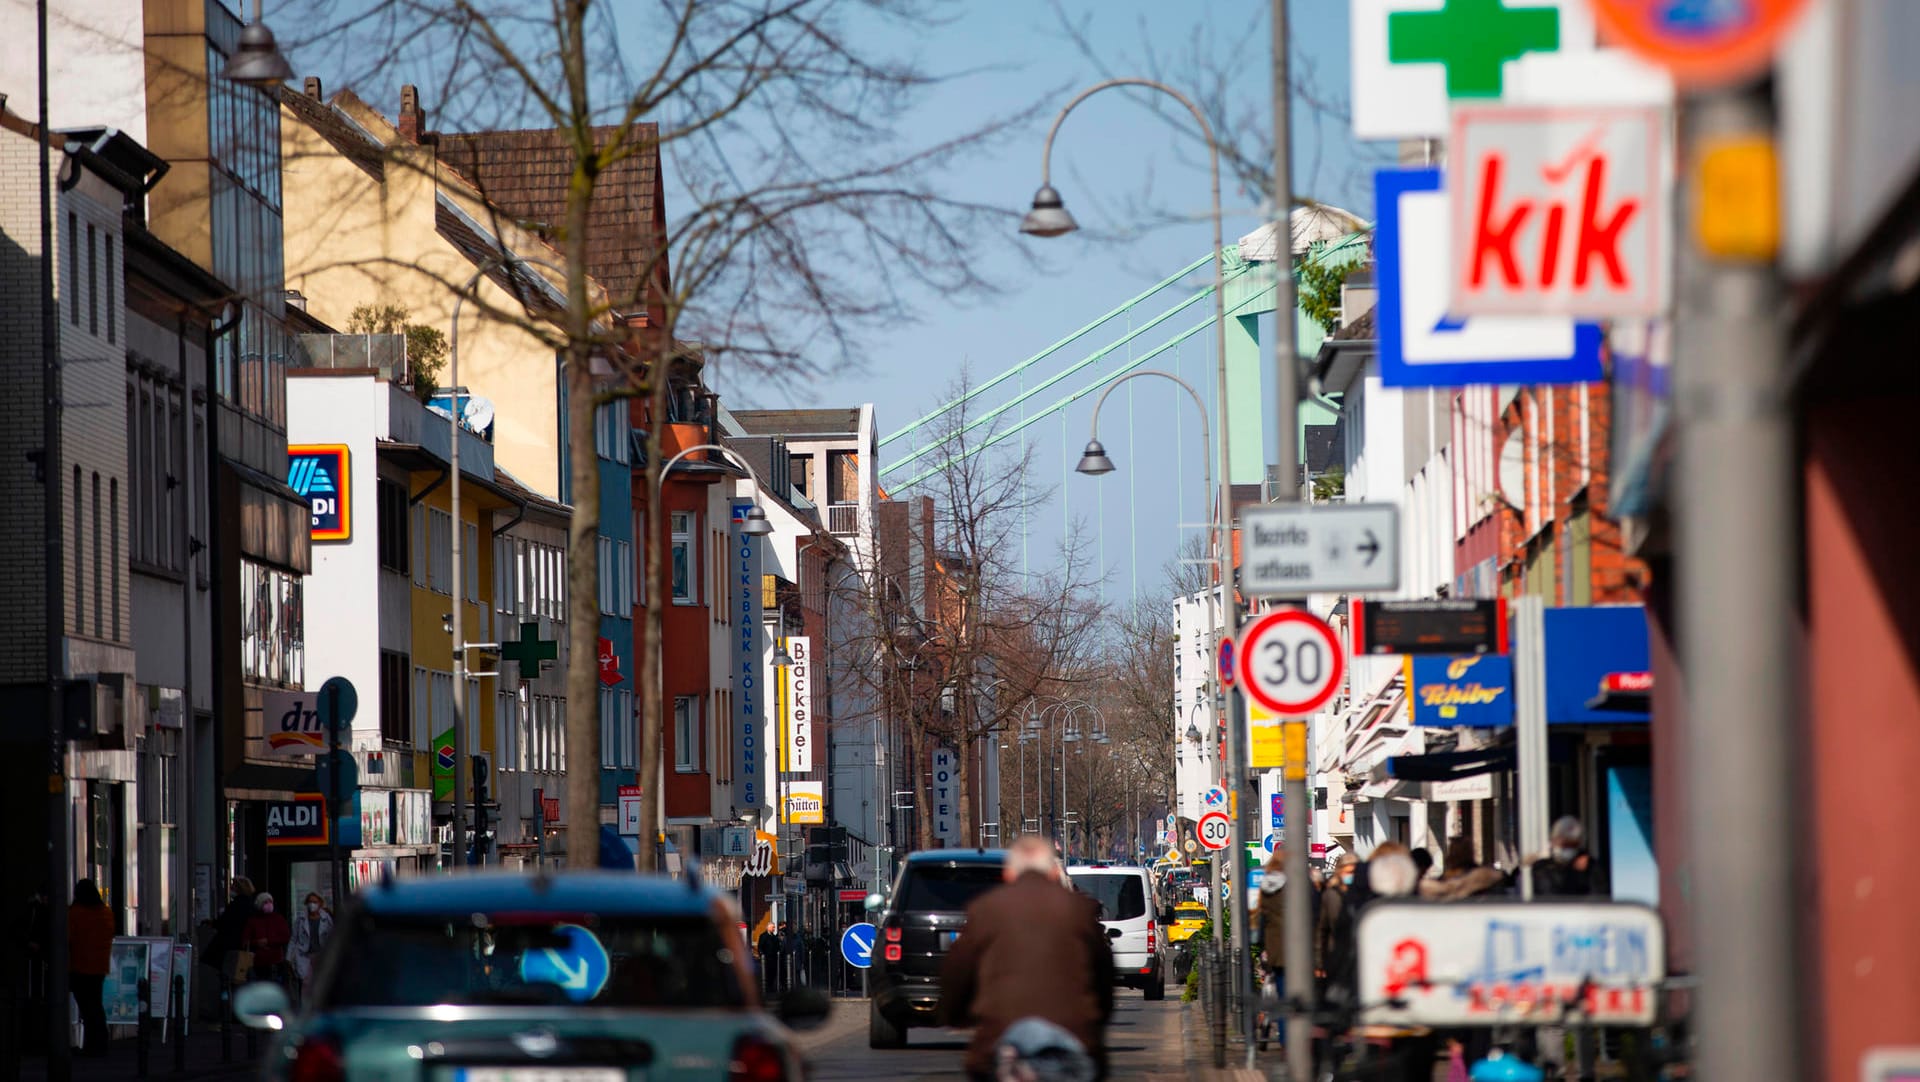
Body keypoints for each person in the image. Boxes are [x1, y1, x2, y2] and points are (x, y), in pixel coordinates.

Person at [939, 835, 1114, 1081]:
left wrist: (954, 1015)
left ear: (1009, 875)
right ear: (1053, 875)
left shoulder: (985, 909)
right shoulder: (1079, 911)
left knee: (983, 1067)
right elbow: (1104, 976)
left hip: (1000, 1040)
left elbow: (957, 973)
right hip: (1074, 1042)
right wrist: (1096, 1019)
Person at [67, 879, 115, 1058]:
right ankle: (99, 1042)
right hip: (99, 967)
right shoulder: (106, 913)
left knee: (87, 1008)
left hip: (79, 966)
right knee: (95, 1005)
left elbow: (69, 937)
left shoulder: (76, 913)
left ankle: (92, 1045)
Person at [1528, 816, 1606, 898]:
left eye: (1572, 845)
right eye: (1563, 844)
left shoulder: (1591, 867)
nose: (1567, 849)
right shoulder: (1542, 867)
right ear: (1553, 842)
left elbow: (1598, 897)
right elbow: (1547, 894)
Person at [209, 877, 256, 988]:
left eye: (233, 886)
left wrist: (214, 923)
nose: (230, 888)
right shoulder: (250, 903)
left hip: (231, 945)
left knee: (231, 975)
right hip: (240, 944)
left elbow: (225, 921)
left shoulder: (237, 904)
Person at [289, 893, 334, 1006]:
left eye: (314, 902)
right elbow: (294, 939)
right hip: (305, 955)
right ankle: (306, 1008)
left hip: (321, 955)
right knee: (305, 983)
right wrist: (289, 957)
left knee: (322, 982)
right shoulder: (301, 919)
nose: (312, 904)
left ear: (320, 904)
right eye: (310, 902)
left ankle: (321, 1006)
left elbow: (332, 937)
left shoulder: (326, 919)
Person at [243, 892, 292, 987]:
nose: (269, 904)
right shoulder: (253, 921)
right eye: (266, 902)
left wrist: (269, 941)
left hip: (276, 962)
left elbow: (285, 937)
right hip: (258, 963)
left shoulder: (279, 919)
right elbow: (245, 940)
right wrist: (257, 943)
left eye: (270, 901)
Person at [756, 921, 783, 998]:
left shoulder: (774, 937)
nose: (774, 928)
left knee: (773, 973)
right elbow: (760, 947)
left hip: (774, 959)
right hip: (767, 959)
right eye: (773, 927)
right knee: (767, 974)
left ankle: (771, 987)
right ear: (768, 927)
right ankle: (767, 988)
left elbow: (778, 947)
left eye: (774, 927)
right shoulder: (763, 936)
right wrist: (762, 955)